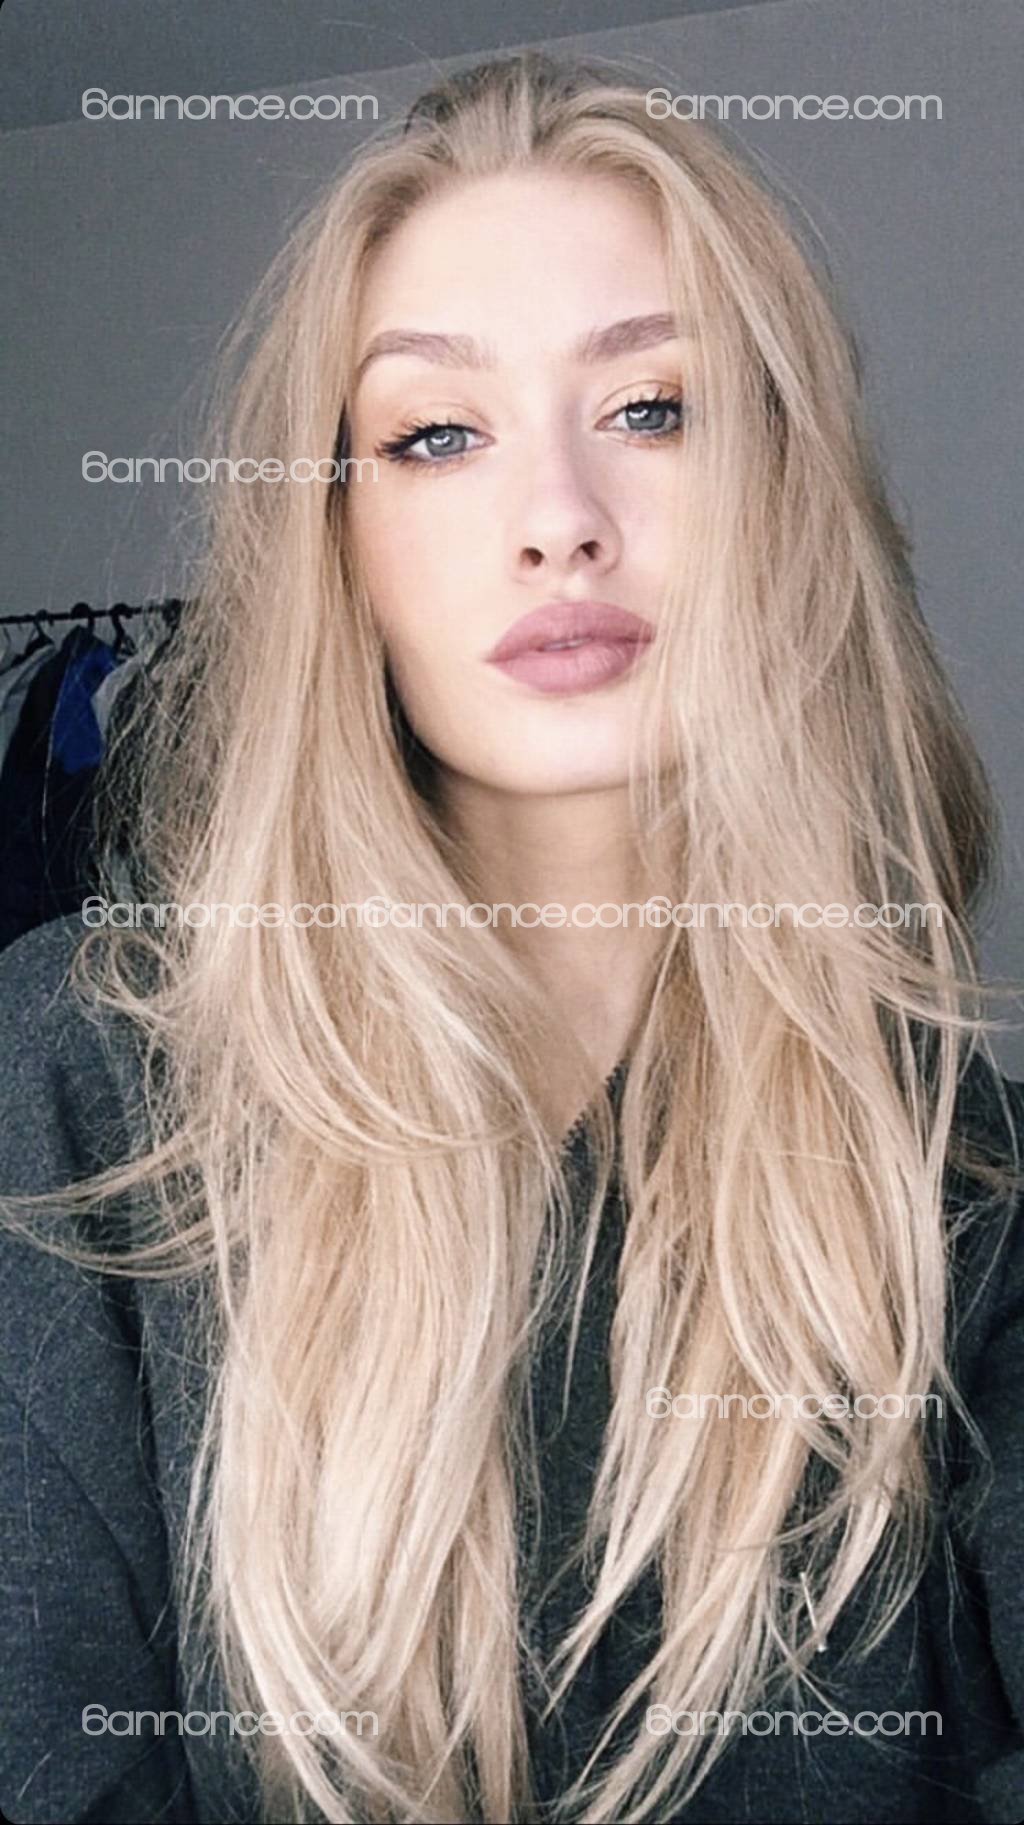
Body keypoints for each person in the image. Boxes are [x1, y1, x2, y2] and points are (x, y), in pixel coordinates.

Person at [1, 50, 1023, 1825]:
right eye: (436, 435)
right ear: (339, 539)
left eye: (655, 408)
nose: (561, 520)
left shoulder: (955, 1170)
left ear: (785, 498)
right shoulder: (75, 1078)